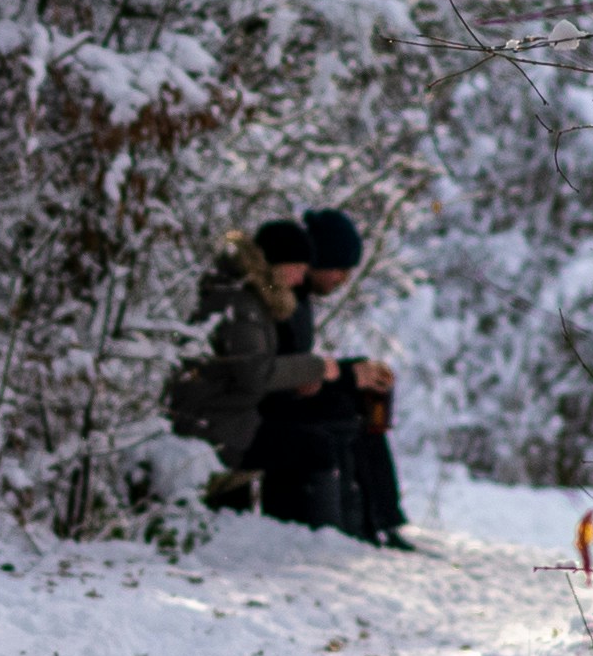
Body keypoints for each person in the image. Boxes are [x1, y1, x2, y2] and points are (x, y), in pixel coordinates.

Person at [166, 209, 410, 540]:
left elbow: (274, 365)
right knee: (328, 428)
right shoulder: (253, 298)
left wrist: (337, 373)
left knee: (356, 405)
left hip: (241, 412)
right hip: (232, 420)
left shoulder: (270, 293)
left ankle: (373, 523)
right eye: (337, 268)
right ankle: (335, 534)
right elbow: (259, 372)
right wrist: (332, 373)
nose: (343, 279)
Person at [258, 205, 411, 543]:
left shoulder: (297, 297)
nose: (343, 279)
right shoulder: (283, 299)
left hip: (289, 393)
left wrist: (352, 372)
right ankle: (361, 523)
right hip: (272, 405)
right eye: (339, 269)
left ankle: (382, 517)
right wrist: (345, 375)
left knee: (371, 395)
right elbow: (275, 370)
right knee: (346, 407)